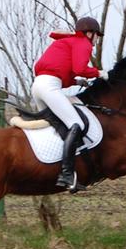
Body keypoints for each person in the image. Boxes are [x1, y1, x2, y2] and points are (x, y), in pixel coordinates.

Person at [31, 16, 109, 192]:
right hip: (49, 87)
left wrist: (77, 83)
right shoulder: (83, 43)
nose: (96, 40)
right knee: (77, 124)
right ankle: (66, 174)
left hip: (38, 86)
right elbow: (80, 68)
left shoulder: (67, 42)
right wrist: (98, 73)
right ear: (89, 33)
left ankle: (56, 169)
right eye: (96, 35)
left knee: (57, 129)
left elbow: (62, 72)